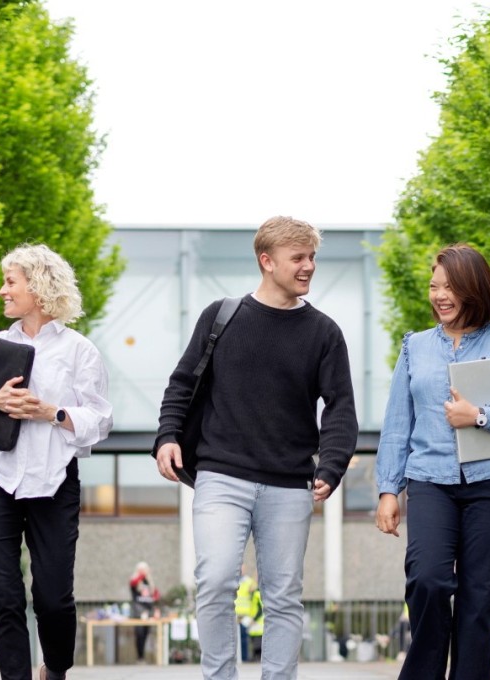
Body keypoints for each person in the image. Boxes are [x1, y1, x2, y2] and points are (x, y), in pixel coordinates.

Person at [154, 215, 359, 680]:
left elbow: (341, 407)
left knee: (284, 595)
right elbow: (182, 383)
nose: (308, 266)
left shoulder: (324, 333)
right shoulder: (222, 317)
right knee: (215, 583)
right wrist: (167, 436)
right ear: (267, 262)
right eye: (298, 258)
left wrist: (332, 464)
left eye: (312, 257)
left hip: (289, 484)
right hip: (221, 476)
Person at [375, 243, 490, 680]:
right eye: (434, 286)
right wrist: (387, 490)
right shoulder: (415, 347)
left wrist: (481, 415)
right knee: (428, 580)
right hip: (431, 481)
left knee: (479, 598)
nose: (440, 296)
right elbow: (398, 423)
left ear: (474, 289)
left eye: (450, 287)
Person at [0, 243, 112, 680]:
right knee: (3, 594)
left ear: (37, 288)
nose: (2, 291)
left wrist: (52, 413)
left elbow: (101, 418)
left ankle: (55, 668)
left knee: (54, 596)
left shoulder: (80, 351)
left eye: (10, 282)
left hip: (53, 480)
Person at [129, 561, 161, 662]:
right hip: (139, 611)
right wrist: (142, 573)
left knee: (146, 633)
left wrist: (156, 609)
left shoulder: (149, 581)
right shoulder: (135, 580)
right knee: (139, 634)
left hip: (149, 610)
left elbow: (156, 595)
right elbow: (133, 583)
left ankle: (144, 656)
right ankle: (140, 657)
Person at [233, 566, 258, 662]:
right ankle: (235, 658)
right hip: (234, 614)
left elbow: (255, 591)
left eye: (242, 568)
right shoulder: (232, 581)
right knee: (233, 638)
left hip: (244, 615)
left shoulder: (248, 582)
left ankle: (244, 658)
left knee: (244, 638)